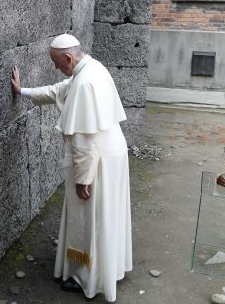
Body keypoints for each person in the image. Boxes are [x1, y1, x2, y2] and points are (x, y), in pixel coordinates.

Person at [10, 34, 133, 302]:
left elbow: (85, 140)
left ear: (68, 57)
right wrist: (23, 91)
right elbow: (59, 90)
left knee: (92, 219)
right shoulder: (90, 68)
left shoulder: (86, 82)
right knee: (106, 214)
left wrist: (83, 179)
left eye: (56, 63)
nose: (56, 68)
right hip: (111, 153)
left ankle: (88, 278)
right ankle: (108, 267)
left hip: (97, 159)